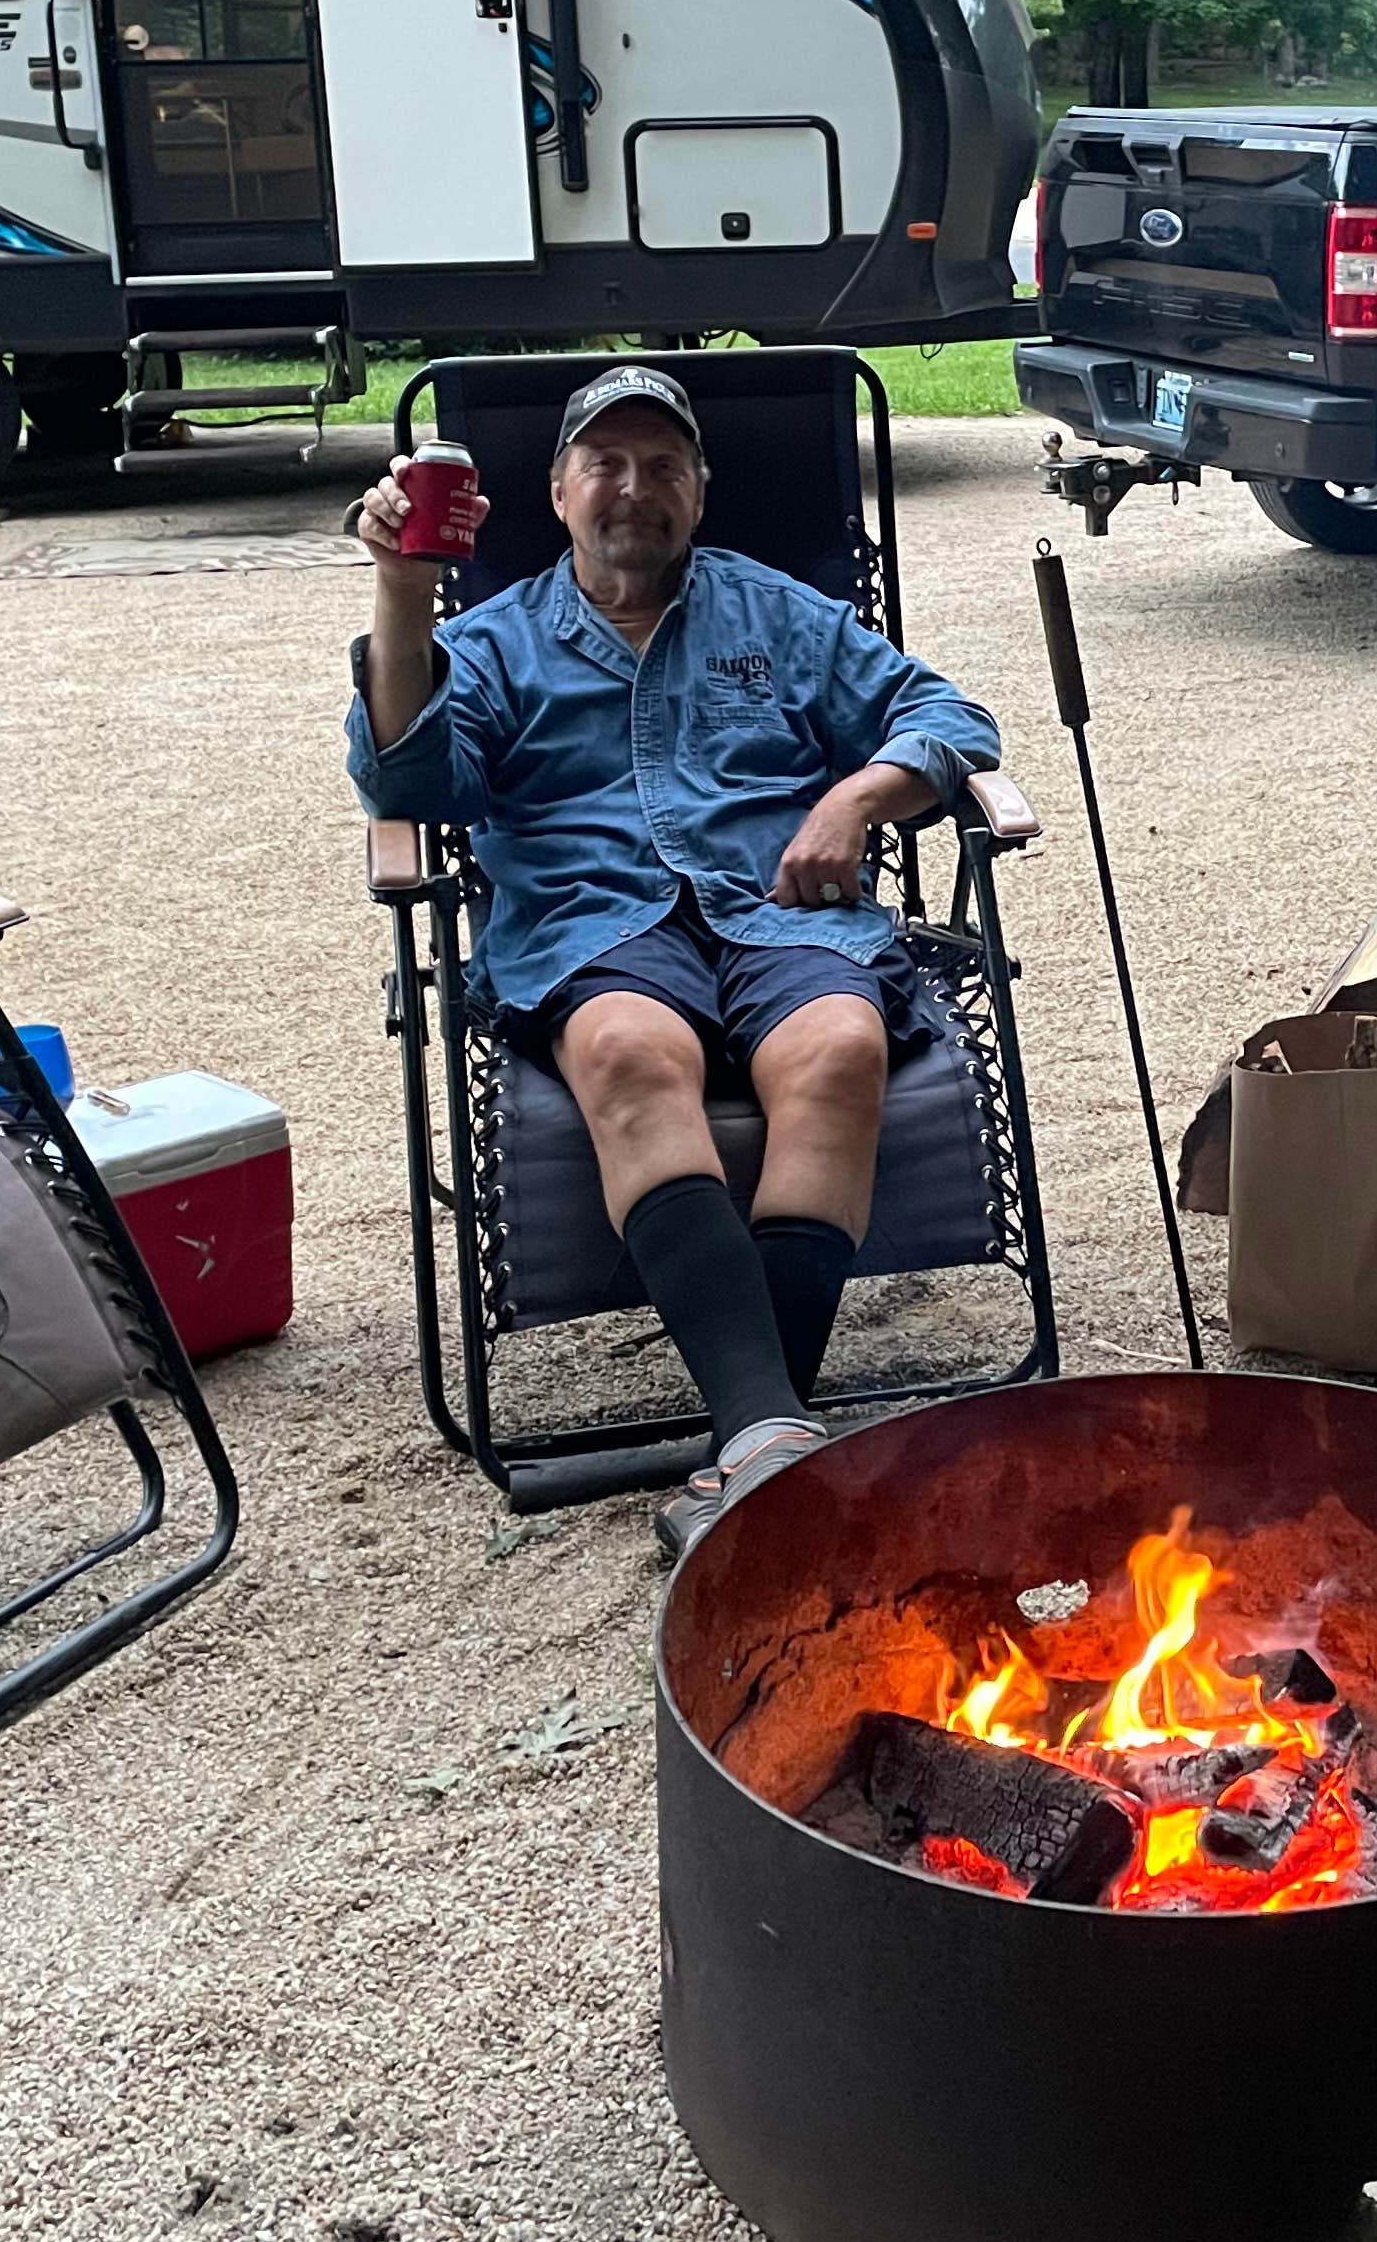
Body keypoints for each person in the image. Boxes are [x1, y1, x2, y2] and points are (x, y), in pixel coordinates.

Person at [347, 364, 1001, 1556]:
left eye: (662, 468)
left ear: (701, 493)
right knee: (630, 1048)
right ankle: (773, 1432)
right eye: (605, 465)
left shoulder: (778, 613)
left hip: (781, 911)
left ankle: (754, 1446)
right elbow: (408, 781)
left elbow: (952, 721)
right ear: (557, 492)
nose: (632, 490)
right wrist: (403, 590)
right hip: (596, 928)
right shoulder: (491, 644)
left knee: (844, 1044)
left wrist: (856, 797)